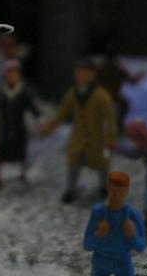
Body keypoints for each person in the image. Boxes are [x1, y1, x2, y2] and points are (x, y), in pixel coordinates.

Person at [41, 59, 118, 203]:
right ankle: (70, 189)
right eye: (78, 73)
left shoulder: (101, 95)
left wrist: (111, 136)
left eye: (84, 73)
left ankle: (103, 186)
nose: (81, 76)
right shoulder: (73, 93)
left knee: (102, 163)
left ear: (93, 75)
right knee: (74, 162)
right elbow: (62, 111)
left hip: (97, 138)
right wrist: (51, 125)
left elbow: (110, 118)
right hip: (78, 137)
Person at [0, 59, 41, 189]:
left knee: (21, 151)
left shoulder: (24, 92)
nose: (12, 76)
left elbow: (33, 108)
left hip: (19, 127)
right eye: (9, 73)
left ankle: (22, 173)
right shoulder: (0, 92)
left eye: (15, 73)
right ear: (5, 74)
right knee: (1, 152)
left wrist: (40, 119)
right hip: (3, 128)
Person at [83, 171, 145, 276]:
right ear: (108, 188)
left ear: (127, 191)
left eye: (120, 191)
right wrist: (99, 234)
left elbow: (140, 246)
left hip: (122, 260)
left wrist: (132, 235)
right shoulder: (98, 212)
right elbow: (87, 244)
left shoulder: (133, 215)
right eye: (113, 190)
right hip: (101, 259)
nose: (116, 195)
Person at [97, 47, 144, 132]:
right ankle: (118, 125)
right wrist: (140, 75)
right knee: (124, 105)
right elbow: (132, 81)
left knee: (123, 104)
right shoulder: (117, 69)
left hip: (104, 96)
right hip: (110, 96)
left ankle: (117, 125)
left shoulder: (101, 68)